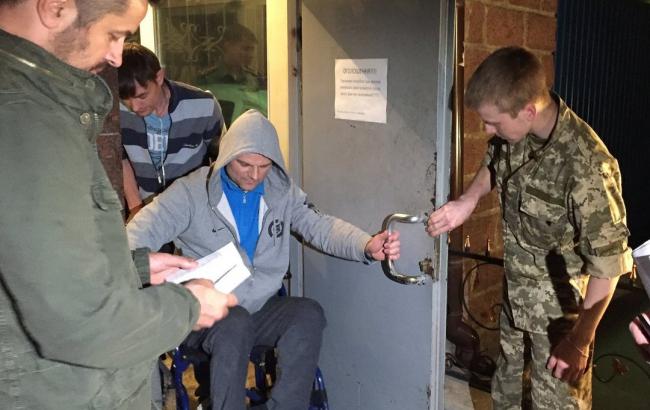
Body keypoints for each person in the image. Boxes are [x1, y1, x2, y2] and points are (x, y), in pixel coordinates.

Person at [0, 1, 237, 408]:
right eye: (114, 34)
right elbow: (82, 322)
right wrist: (189, 306)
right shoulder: (28, 119)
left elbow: (33, 259)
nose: (115, 56)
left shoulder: (37, 104)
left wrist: (133, 268)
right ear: (56, 8)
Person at [127, 109, 401, 410]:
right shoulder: (189, 194)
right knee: (235, 322)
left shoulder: (280, 192)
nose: (255, 175)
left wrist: (365, 245)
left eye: (264, 166)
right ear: (227, 156)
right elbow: (136, 235)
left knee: (308, 313)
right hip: (202, 314)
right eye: (244, 164)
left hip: (257, 308)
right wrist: (138, 271)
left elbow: (319, 225)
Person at [426, 46, 633, 409]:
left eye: (493, 123)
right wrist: (468, 200)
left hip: (560, 324)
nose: (487, 130)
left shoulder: (587, 166)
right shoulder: (515, 135)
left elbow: (610, 264)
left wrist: (580, 340)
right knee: (506, 397)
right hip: (515, 304)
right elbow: (494, 162)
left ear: (528, 111)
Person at [119, 42, 226, 216]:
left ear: (159, 77)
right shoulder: (117, 113)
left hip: (195, 209)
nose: (134, 107)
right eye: (126, 99)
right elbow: (120, 158)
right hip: (146, 210)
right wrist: (135, 207)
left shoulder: (203, 105)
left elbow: (222, 160)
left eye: (142, 96)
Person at [197, 23, 267, 127]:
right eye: (245, 48)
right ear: (228, 46)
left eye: (252, 50)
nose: (250, 55)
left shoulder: (255, 80)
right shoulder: (207, 79)